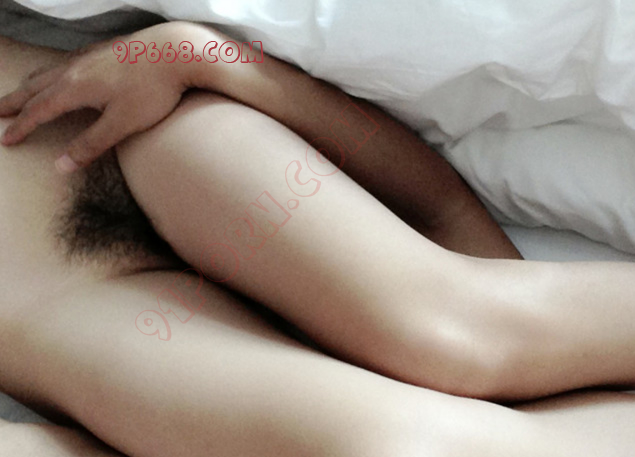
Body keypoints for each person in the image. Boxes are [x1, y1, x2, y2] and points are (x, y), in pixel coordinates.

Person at [0, 21, 633, 457]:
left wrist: (204, 58)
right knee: (444, 339)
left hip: (91, 252)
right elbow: (441, 210)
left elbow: (442, 217)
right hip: (103, 222)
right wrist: (206, 58)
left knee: (437, 358)